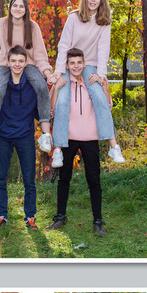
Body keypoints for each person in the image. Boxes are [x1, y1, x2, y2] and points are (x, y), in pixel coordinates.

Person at [49, 0, 125, 170]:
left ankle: (113, 146)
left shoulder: (104, 21)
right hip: (70, 64)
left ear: (101, 0)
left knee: (100, 98)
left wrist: (101, 76)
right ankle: (57, 148)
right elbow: (64, 44)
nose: (93, 0)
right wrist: (59, 71)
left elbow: (103, 49)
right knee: (62, 100)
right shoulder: (74, 17)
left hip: (89, 65)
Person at [0, 0, 53, 145]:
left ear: (26, 9)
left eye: (21, 6)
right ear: (9, 8)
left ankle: (45, 135)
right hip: (4, 64)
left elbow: (40, 55)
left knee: (42, 87)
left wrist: (47, 72)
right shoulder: (1, 24)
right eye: (15, 6)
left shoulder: (33, 26)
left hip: (27, 63)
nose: (18, 9)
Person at [49, 47, 109, 234]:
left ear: (84, 64)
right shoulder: (63, 83)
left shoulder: (92, 82)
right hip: (68, 138)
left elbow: (106, 106)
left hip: (90, 137)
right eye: (72, 63)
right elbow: (52, 110)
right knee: (64, 178)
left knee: (94, 178)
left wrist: (104, 86)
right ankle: (60, 217)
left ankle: (98, 221)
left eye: (79, 63)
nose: (76, 66)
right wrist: (56, 88)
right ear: (67, 65)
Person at [0, 46, 45, 229]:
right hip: (3, 135)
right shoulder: (1, 86)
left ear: (26, 63)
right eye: (13, 61)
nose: (17, 64)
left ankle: (30, 217)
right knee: (1, 178)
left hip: (25, 136)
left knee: (29, 179)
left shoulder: (33, 86)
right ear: (8, 62)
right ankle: (1, 215)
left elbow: (39, 110)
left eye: (20, 61)